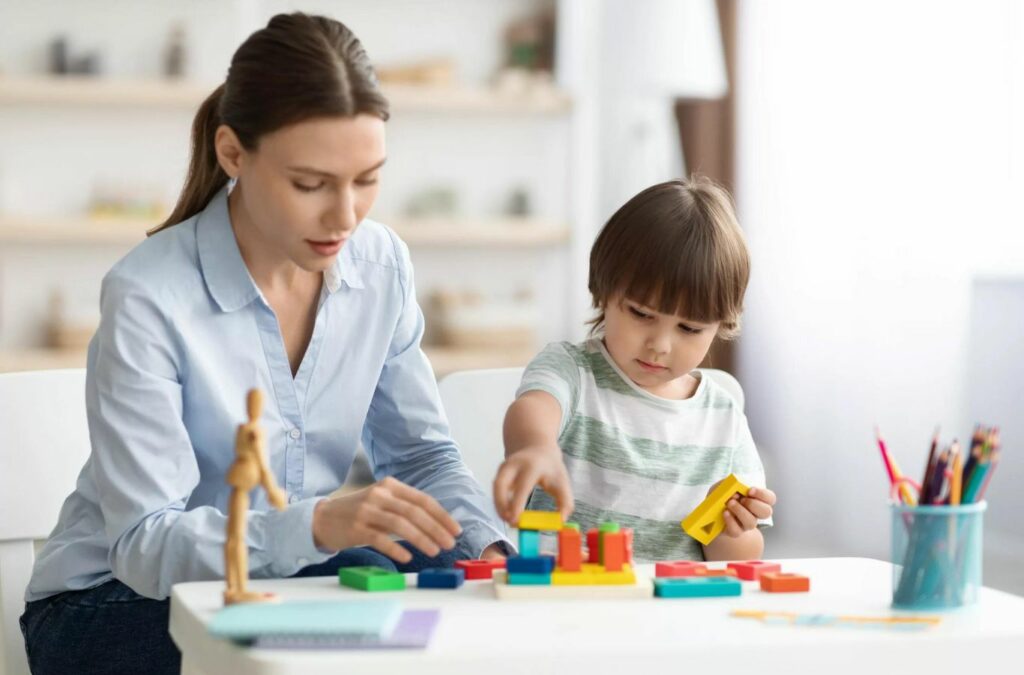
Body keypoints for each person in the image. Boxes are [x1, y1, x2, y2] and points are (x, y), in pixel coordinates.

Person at [20, 13, 509, 675]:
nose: (345, 216)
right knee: (364, 600)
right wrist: (315, 525)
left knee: (454, 597)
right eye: (311, 184)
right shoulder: (149, 295)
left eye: (367, 179)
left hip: (284, 574)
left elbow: (423, 458)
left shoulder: (381, 266)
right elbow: (144, 543)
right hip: (107, 602)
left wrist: (491, 548)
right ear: (232, 153)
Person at [492, 177, 776, 563]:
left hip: (667, 611)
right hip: (565, 600)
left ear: (720, 326)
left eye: (689, 328)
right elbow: (535, 409)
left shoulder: (723, 418)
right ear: (604, 290)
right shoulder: (573, 371)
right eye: (642, 314)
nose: (660, 344)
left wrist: (731, 529)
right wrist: (536, 447)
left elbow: (739, 560)